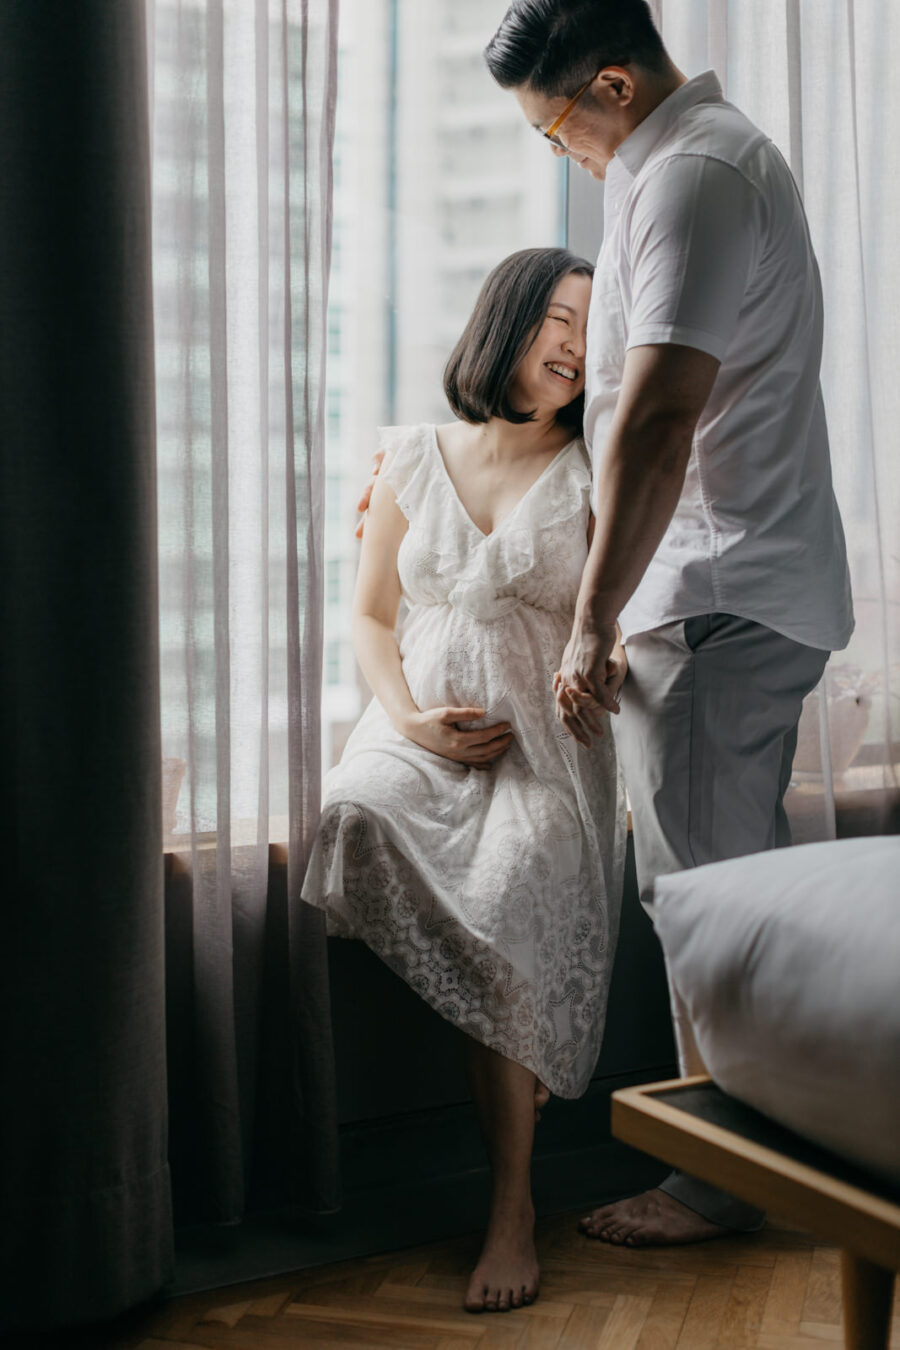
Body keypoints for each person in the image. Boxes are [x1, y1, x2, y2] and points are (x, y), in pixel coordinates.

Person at [483, 0, 854, 1248]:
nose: (560, 153)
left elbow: (656, 416)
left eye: (555, 129)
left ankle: (723, 1180)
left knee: (707, 902)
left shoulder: (692, 170)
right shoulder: (699, 160)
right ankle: (768, 1155)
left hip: (710, 596)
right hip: (727, 589)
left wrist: (592, 621)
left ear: (612, 87)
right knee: (730, 890)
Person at [303, 247, 628, 1312]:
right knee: (350, 810)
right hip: (419, 729)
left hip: (543, 750)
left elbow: (619, 623)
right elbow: (368, 614)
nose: (578, 347)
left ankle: (512, 1208)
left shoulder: (600, 471)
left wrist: (604, 663)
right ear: (511, 320)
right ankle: (518, 1038)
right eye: (562, 321)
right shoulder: (412, 453)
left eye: (595, 328)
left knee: (503, 907)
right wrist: (408, 722)